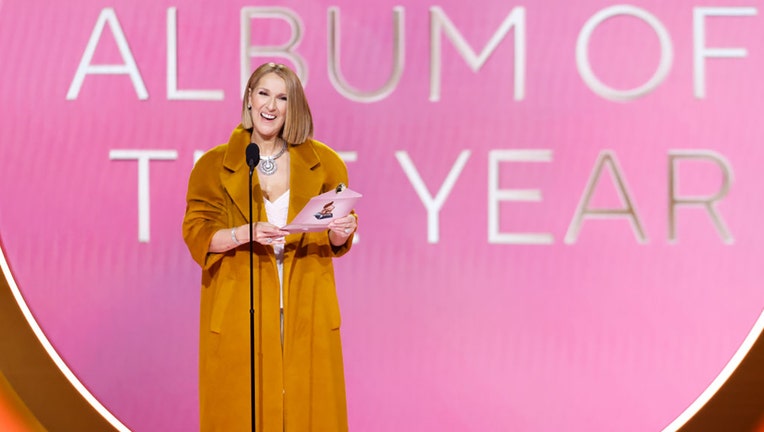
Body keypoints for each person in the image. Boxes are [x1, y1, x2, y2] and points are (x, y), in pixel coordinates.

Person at [182, 62, 357, 432]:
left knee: (309, 414)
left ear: (293, 108)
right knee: (242, 414)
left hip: (306, 309)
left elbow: (334, 238)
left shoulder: (324, 163)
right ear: (249, 98)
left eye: (282, 98)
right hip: (238, 312)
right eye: (264, 94)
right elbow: (197, 234)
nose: (271, 106)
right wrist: (244, 233)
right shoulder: (215, 166)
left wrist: (342, 230)